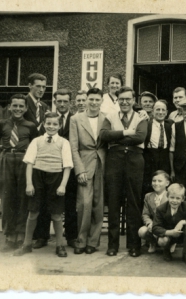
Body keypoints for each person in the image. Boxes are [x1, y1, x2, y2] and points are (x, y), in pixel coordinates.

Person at [13, 112, 73, 258]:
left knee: (56, 214)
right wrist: (29, 184)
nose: (51, 126)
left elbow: (67, 166)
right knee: (33, 211)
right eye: (48, 123)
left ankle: (60, 245)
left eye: (55, 124)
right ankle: (27, 245)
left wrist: (63, 185)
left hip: (56, 178)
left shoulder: (64, 143)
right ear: (44, 124)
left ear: (59, 126)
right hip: (37, 177)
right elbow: (29, 163)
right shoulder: (36, 141)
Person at [100, 86, 148, 257]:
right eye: (122, 99)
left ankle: (134, 245)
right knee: (113, 202)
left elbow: (141, 137)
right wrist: (127, 132)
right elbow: (104, 135)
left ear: (134, 101)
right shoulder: (110, 116)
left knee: (134, 203)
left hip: (135, 160)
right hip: (115, 160)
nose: (125, 102)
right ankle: (112, 245)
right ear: (117, 100)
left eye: (128, 99)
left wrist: (117, 137)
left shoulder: (141, 116)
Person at [0, 94, 39, 252]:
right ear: (9, 107)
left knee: (22, 198)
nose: (18, 109)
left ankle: (20, 235)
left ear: (25, 108)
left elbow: (36, 146)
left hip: (24, 162)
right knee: (7, 198)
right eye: (15, 106)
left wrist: (26, 159)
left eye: (21, 106)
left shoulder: (31, 126)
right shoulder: (1, 124)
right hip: (7, 161)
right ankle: (9, 237)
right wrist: (5, 156)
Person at [33, 89, 78, 250]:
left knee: (70, 203)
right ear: (55, 102)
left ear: (70, 102)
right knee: (45, 203)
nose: (62, 104)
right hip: (48, 170)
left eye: (65, 101)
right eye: (59, 101)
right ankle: (42, 236)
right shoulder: (47, 121)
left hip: (68, 168)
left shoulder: (75, 119)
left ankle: (71, 236)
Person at [70, 87, 107, 255]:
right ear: (86, 100)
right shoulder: (76, 119)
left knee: (98, 205)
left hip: (102, 164)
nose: (93, 102)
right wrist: (79, 170)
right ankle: (81, 240)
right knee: (84, 204)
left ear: (101, 101)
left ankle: (93, 241)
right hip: (84, 164)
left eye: (96, 100)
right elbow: (73, 147)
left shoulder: (107, 118)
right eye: (90, 99)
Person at [152, 183, 186, 262]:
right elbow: (155, 228)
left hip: (183, 235)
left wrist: (183, 221)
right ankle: (166, 250)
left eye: (178, 198)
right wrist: (171, 232)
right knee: (163, 240)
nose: (174, 201)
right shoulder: (161, 209)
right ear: (167, 196)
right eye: (172, 197)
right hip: (169, 235)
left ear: (183, 199)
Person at [142, 100, 173, 197]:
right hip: (150, 158)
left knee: (164, 186)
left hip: (165, 158)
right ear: (152, 111)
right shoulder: (146, 124)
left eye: (163, 110)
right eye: (157, 109)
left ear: (167, 112)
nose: (160, 112)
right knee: (149, 186)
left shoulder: (171, 125)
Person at [138, 170, 170, 253]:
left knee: (164, 241)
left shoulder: (170, 197)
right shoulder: (148, 196)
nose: (156, 183)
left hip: (166, 226)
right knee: (142, 231)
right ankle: (152, 242)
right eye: (154, 181)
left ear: (167, 183)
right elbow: (145, 214)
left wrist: (157, 225)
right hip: (153, 225)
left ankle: (169, 244)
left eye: (160, 181)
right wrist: (149, 223)